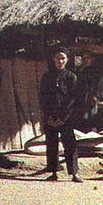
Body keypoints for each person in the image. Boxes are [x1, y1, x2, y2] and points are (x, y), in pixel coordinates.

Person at [39, 46, 82, 182]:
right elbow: (43, 98)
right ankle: (53, 172)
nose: (60, 61)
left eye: (62, 58)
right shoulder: (47, 77)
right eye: (58, 58)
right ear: (53, 59)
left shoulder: (71, 77)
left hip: (66, 117)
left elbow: (73, 99)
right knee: (51, 144)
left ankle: (74, 173)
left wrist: (63, 118)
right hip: (50, 116)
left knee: (70, 144)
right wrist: (49, 117)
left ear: (67, 60)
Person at [76, 51, 103, 131]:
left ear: (91, 59)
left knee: (93, 117)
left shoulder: (96, 70)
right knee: (82, 118)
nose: (85, 60)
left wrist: (98, 97)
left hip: (93, 97)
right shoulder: (80, 70)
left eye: (87, 58)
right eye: (83, 58)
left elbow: (101, 82)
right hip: (83, 97)